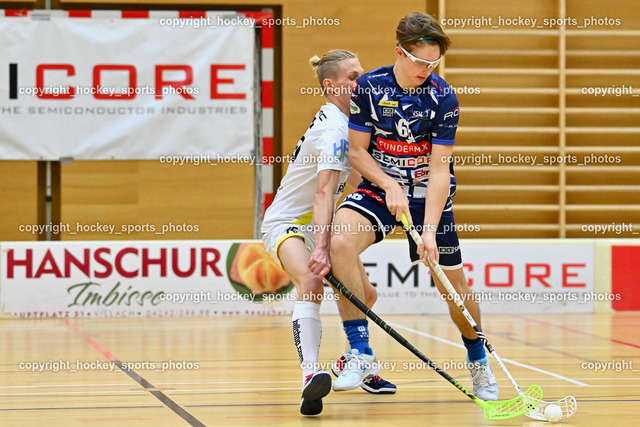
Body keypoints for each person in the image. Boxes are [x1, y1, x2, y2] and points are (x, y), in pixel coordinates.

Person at [329, 12, 499, 401]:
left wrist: (429, 232)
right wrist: (389, 184)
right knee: (340, 242)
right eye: (420, 61)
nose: (426, 70)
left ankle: (479, 362)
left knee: (453, 288)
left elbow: (440, 170)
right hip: (380, 189)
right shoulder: (369, 88)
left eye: (433, 63)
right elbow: (357, 152)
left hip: (427, 196)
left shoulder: (443, 97)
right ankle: (360, 352)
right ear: (399, 53)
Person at [261, 50, 396, 417]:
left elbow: (354, 178)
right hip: (288, 223)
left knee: (366, 295)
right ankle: (310, 375)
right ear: (330, 85)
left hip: (319, 221)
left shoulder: (348, 124)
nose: (361, 83)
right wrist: (322, 247)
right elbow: (324, 192)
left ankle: (352, 362)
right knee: (311, 281)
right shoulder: (334, 130)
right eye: (352, 77)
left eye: (361, 75)